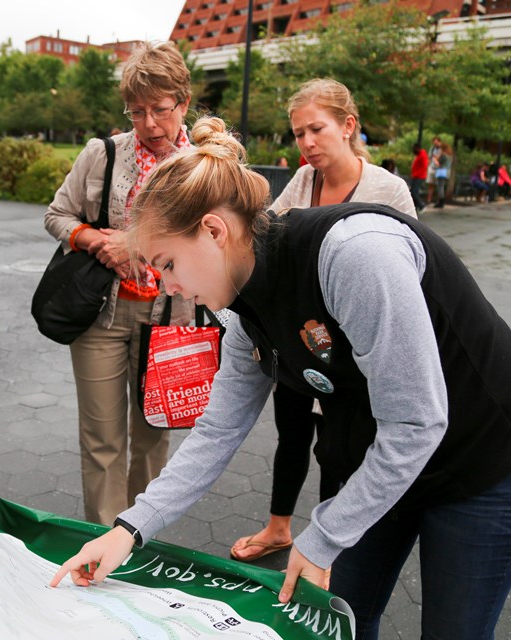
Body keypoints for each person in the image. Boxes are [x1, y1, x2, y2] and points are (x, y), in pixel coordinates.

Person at [51, 115, 511, 640]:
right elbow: (218, 431)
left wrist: (322, 535)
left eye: (168, 263)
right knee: (344, 621)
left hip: (481, 460)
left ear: (213, 230)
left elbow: (418, 422)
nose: (169, 287)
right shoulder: (244, 309)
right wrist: (129, 530)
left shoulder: (355, 255)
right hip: (377, 462)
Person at [230, 78, 416, 563]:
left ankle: (327, 547)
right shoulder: (302, 183)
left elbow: (412, 271)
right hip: (301, 337)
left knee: (340, 448)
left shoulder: (387, 189)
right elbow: (267, 243)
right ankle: (278, 528)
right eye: (298, 133)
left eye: (317, 129)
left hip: (355, 349)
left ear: (348, 126)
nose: (307, 142)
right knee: (291, 433)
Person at [43, 41, 195, 527]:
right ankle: (102, 548)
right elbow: (56, 215)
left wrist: (137, 243)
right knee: (103, 439)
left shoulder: (207, 166)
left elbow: (222, 241)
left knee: (153, 440)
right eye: (137, 112)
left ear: (183, 103)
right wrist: (93, 240)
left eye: (160, 110)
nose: (149, 124)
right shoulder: (102, 154)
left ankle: (139, 537)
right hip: (102, 316)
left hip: (174, 319)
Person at [410, 143, 429, 213]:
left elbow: (424, 166)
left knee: (414, 192)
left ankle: (421, 205)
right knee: (413, 192)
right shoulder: (419, 155)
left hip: (419, 176)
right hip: (416, 176)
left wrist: (416, 174)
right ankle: (416, 207)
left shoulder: (422, 155)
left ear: (417, 148)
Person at [433, 141, 453, 209]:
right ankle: (441, 201)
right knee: (442, 186)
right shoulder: (449, 155)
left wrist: (435, 160)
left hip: (441, 171)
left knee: (440, 187)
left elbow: (439, 163)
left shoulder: (443, 155)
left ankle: (441, 202)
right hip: (446, 172)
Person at [426, 136, 442, 206]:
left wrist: (435, 157)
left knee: (439, 185)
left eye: (436, 142)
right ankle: (429, 199)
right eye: (434, 142)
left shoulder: (442, 149)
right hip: (432, 168)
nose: (435, 144)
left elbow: (440, 158)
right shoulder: (432, 149)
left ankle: (438, 200)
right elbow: (429, 158)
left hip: (439, 169)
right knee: (431, 184)